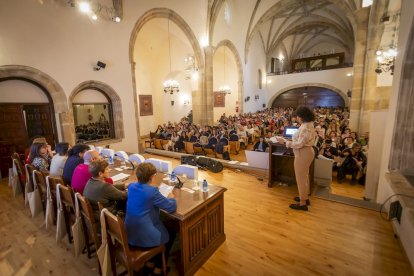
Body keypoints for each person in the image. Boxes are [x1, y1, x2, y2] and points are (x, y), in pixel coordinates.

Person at [125, 163, 177, 275]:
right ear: (152, 176)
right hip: (144, 235)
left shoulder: (131, 186)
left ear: (137, 176)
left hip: (130, 232)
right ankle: (158, 268)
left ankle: (150, 263)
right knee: (171, 233)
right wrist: (172, 198)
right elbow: (171, 207)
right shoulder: (152, 192)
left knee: (162, 225)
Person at [283, 106, 316, 211]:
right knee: (304, 176)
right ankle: (304, 197)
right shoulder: (306, 124)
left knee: (300, 178)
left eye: (297, 116)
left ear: (302, 116)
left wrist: (285, 142)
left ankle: (302, 204)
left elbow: (299, 144)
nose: (296, 118)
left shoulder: (306, 127)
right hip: (305, 152)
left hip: (303, 153)